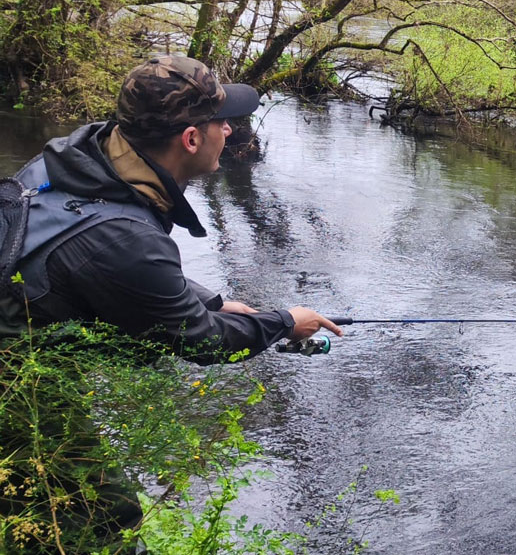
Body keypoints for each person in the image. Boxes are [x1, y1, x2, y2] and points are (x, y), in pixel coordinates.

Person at [1, 55, 343, 360]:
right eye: (220, 121)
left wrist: (213, 303)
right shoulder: (127, 240)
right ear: (191, 139)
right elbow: (201, 340)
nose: (228, 129)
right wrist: (285, 323)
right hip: (18, 378)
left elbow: (114, 266)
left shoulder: (74, 156)